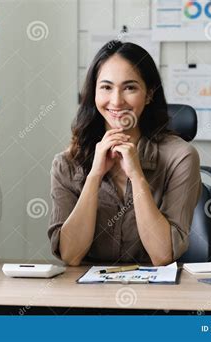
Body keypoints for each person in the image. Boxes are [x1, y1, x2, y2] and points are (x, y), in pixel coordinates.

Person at [48, 40, 201, 266]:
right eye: (106, 87)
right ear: (94, 94)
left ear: (149, 94)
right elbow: (70, 255)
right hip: (86, 296)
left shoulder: (181, 157)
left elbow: (162, 255)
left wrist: (137, 175)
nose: (117, 101)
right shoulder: (67, 162)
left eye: (130, 87)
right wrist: (95, 176)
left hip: (155, 295)